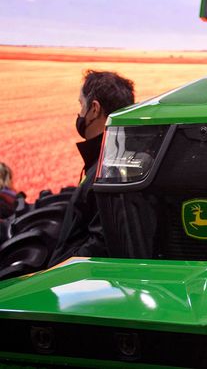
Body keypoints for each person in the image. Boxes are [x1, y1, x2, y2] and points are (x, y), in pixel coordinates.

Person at [49, 70, 135, 266]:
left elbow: (100, 245)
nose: (80, 114)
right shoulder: (117, 156)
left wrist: (58, 271)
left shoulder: (108, 169)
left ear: (94, 109)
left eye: (81, 105)